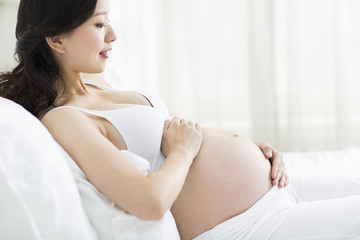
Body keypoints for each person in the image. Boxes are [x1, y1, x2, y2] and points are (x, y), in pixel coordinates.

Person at [1, 0, 359, 239]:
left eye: (109, 21)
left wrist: (252, 149)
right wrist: (183, 153)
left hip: (278, 186)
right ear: (55, 39)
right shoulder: (65, 120)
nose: (112, 35)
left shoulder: (95, 81)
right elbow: (149, 201)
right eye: (98, 24)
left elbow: (166, 135)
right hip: (249, 226)